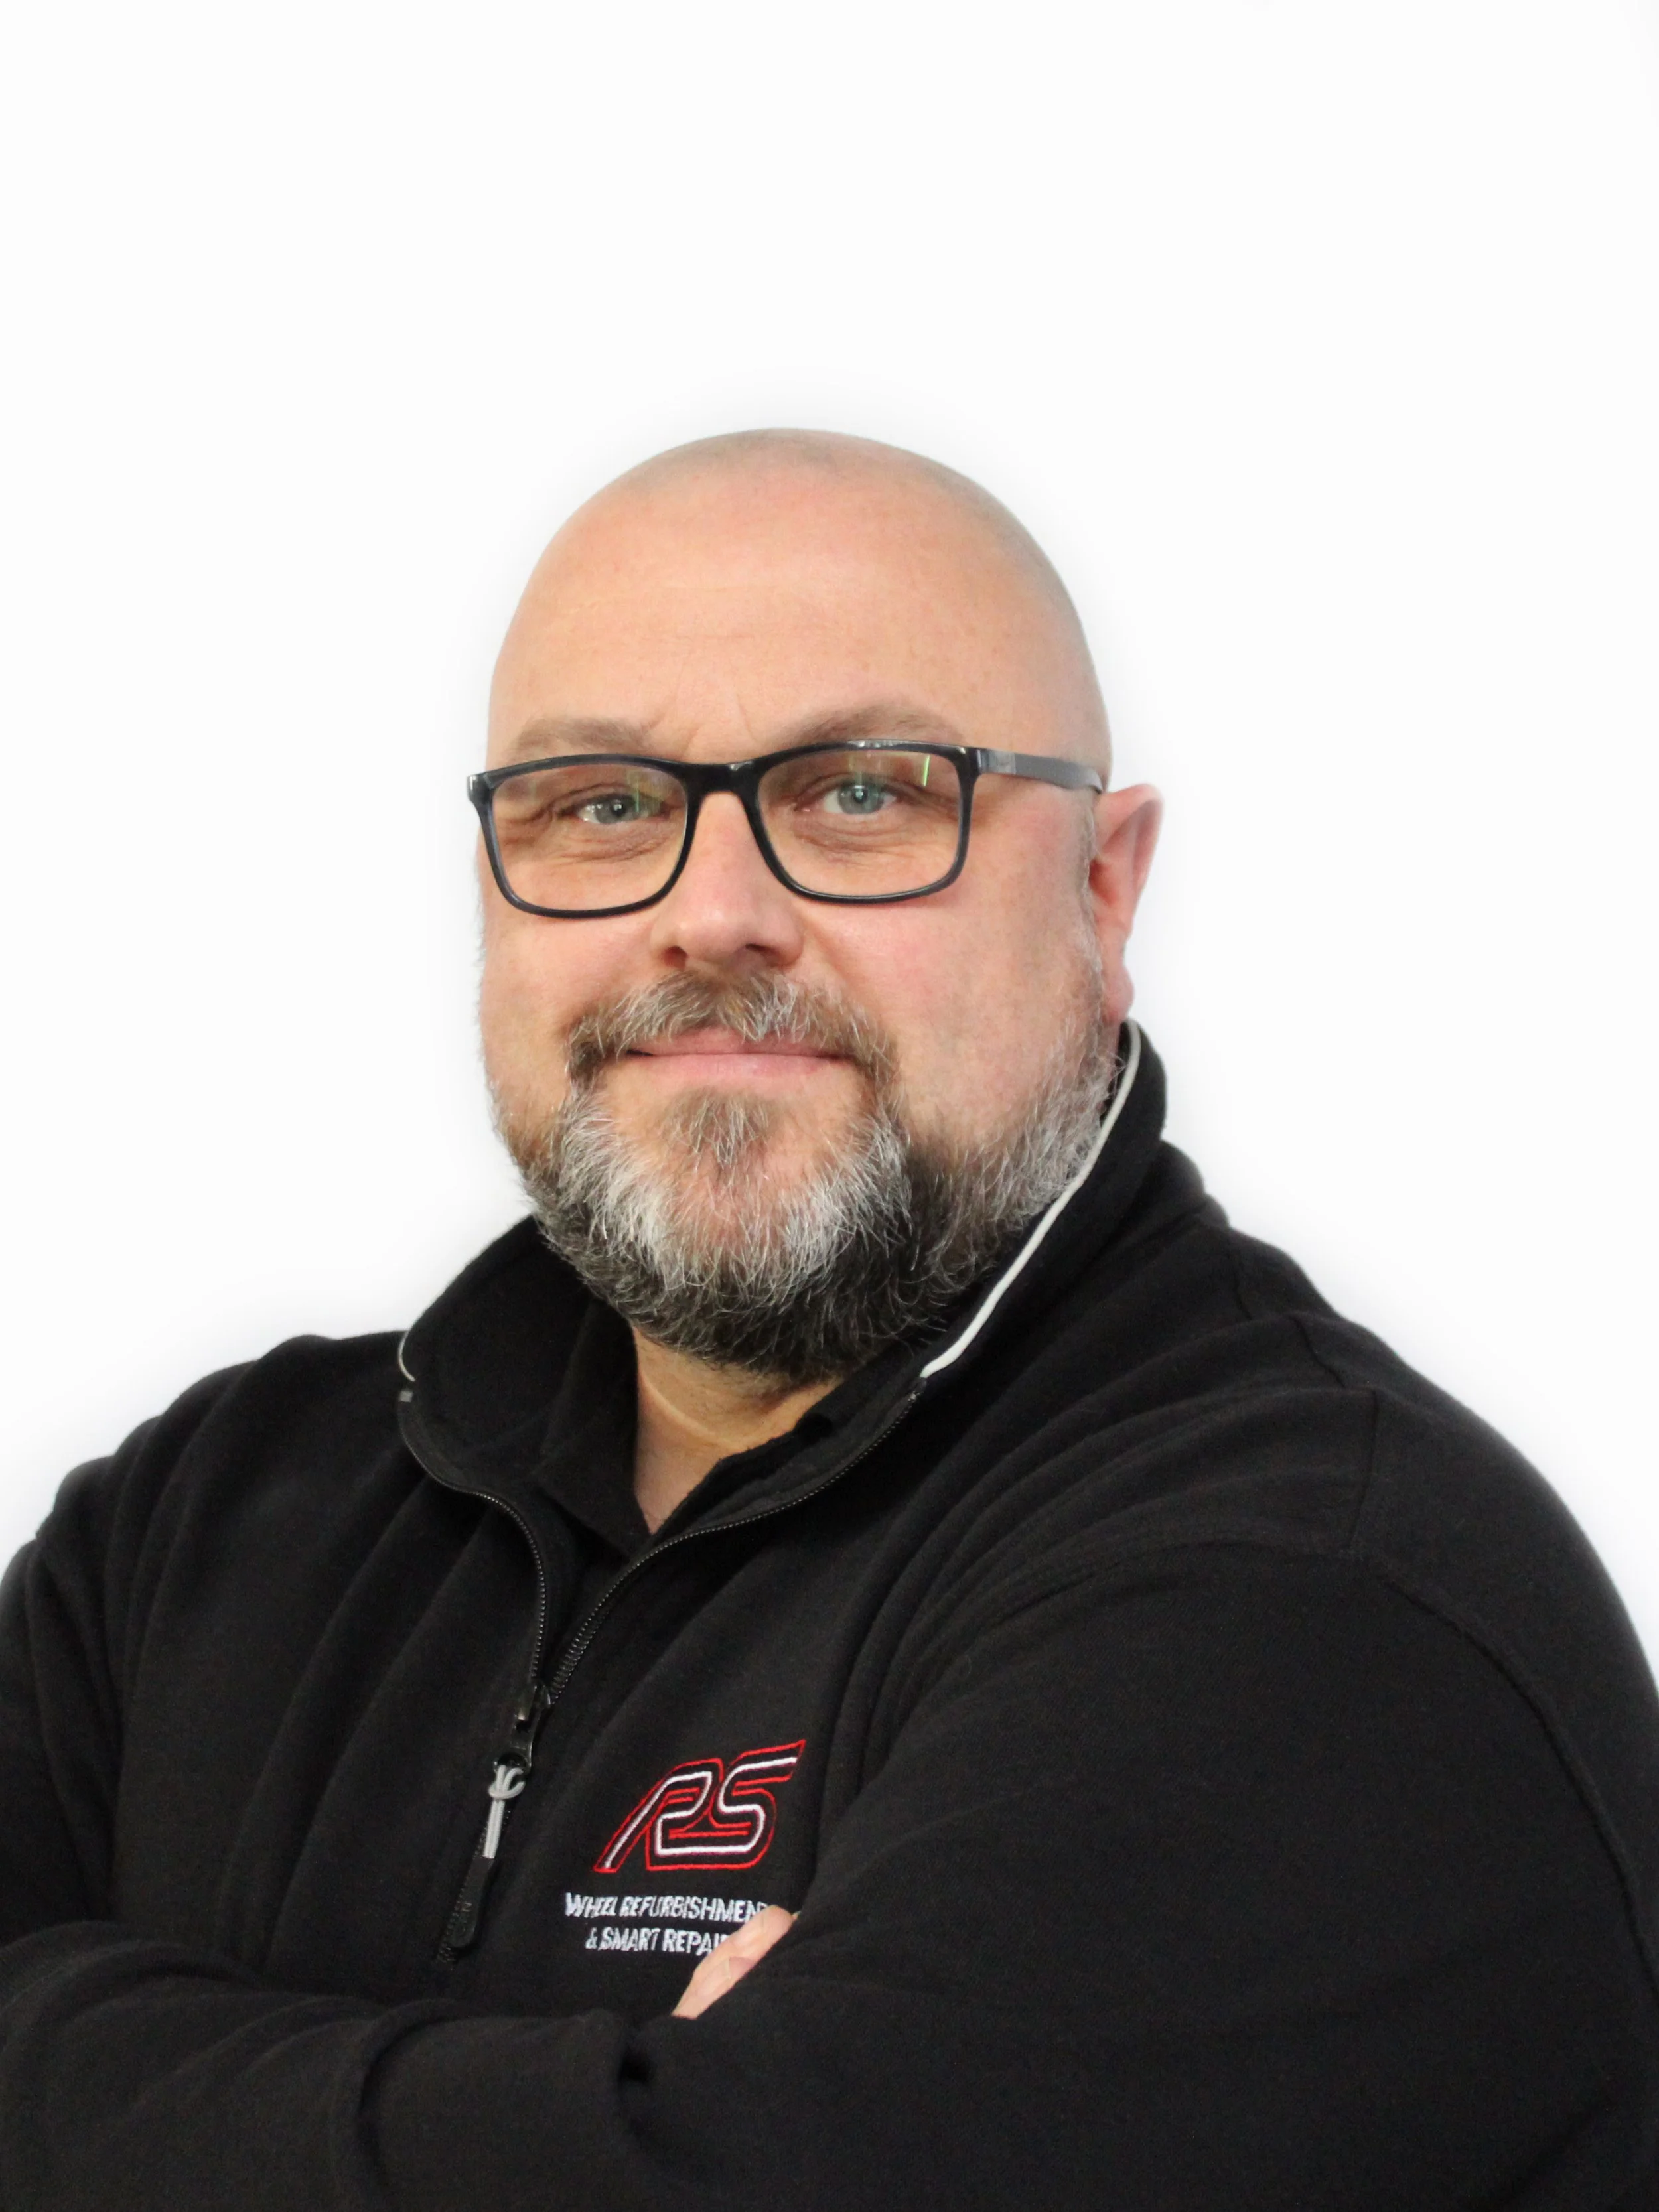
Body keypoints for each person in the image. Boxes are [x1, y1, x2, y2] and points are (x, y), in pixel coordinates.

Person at [1, 429, 1656, 2211]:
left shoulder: (1321, 1586)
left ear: (1103, 890)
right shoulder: (206, 1522)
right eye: (601, 805)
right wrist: (624, 2113)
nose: (712, 916)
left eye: (862, 795)